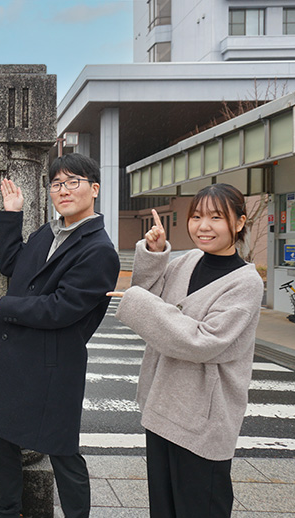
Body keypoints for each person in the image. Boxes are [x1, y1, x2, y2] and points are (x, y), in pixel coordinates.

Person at [0, 153, 120, 518]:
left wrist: (3, 304)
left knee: (61, 450)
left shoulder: (100, 250)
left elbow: (61, 308)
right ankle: (7, 511)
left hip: (54, 362)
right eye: (57, 184)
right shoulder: (48, 231)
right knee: (0, 440)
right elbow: (13, 265)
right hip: (13, 357)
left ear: (94, 189)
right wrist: (12, 213)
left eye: (73, 182)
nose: (63, 190)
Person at [108, 184, 263, 517]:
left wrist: (136, 302)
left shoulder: (246, 283)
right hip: (162, 407)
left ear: (238, 223)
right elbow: (149, 296)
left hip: (202, 422)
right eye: (196, 216)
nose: (203, 226)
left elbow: (203, 341)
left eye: (215, 218)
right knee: (164, 509)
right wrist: (154, 252)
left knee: (200, 508)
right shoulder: (188, 261)